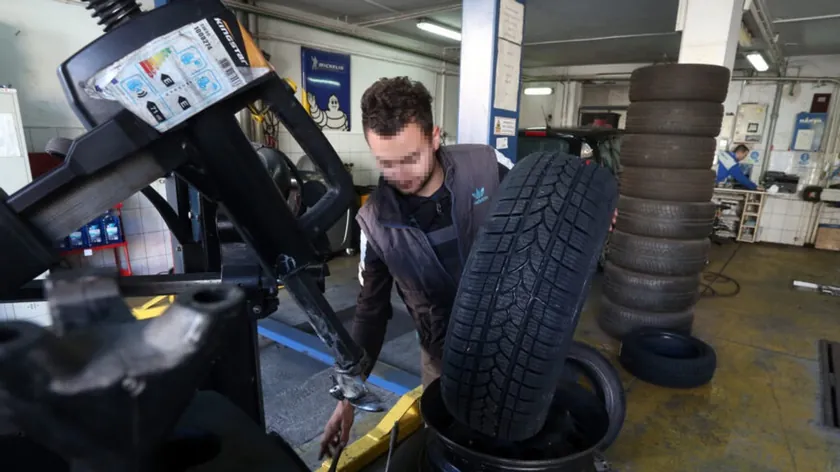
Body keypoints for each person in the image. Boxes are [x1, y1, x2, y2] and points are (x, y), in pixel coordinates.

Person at [319, 77, 513, 458]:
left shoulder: (486, 167)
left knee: (513, 441)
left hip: (509, 340)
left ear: (435, 137)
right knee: (450, 450)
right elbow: (370, 313)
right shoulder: (374, 223)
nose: (400, 174)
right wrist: (348, 397)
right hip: (442, 359)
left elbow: (546, 199)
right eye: (386, 163)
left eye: (410, 158)